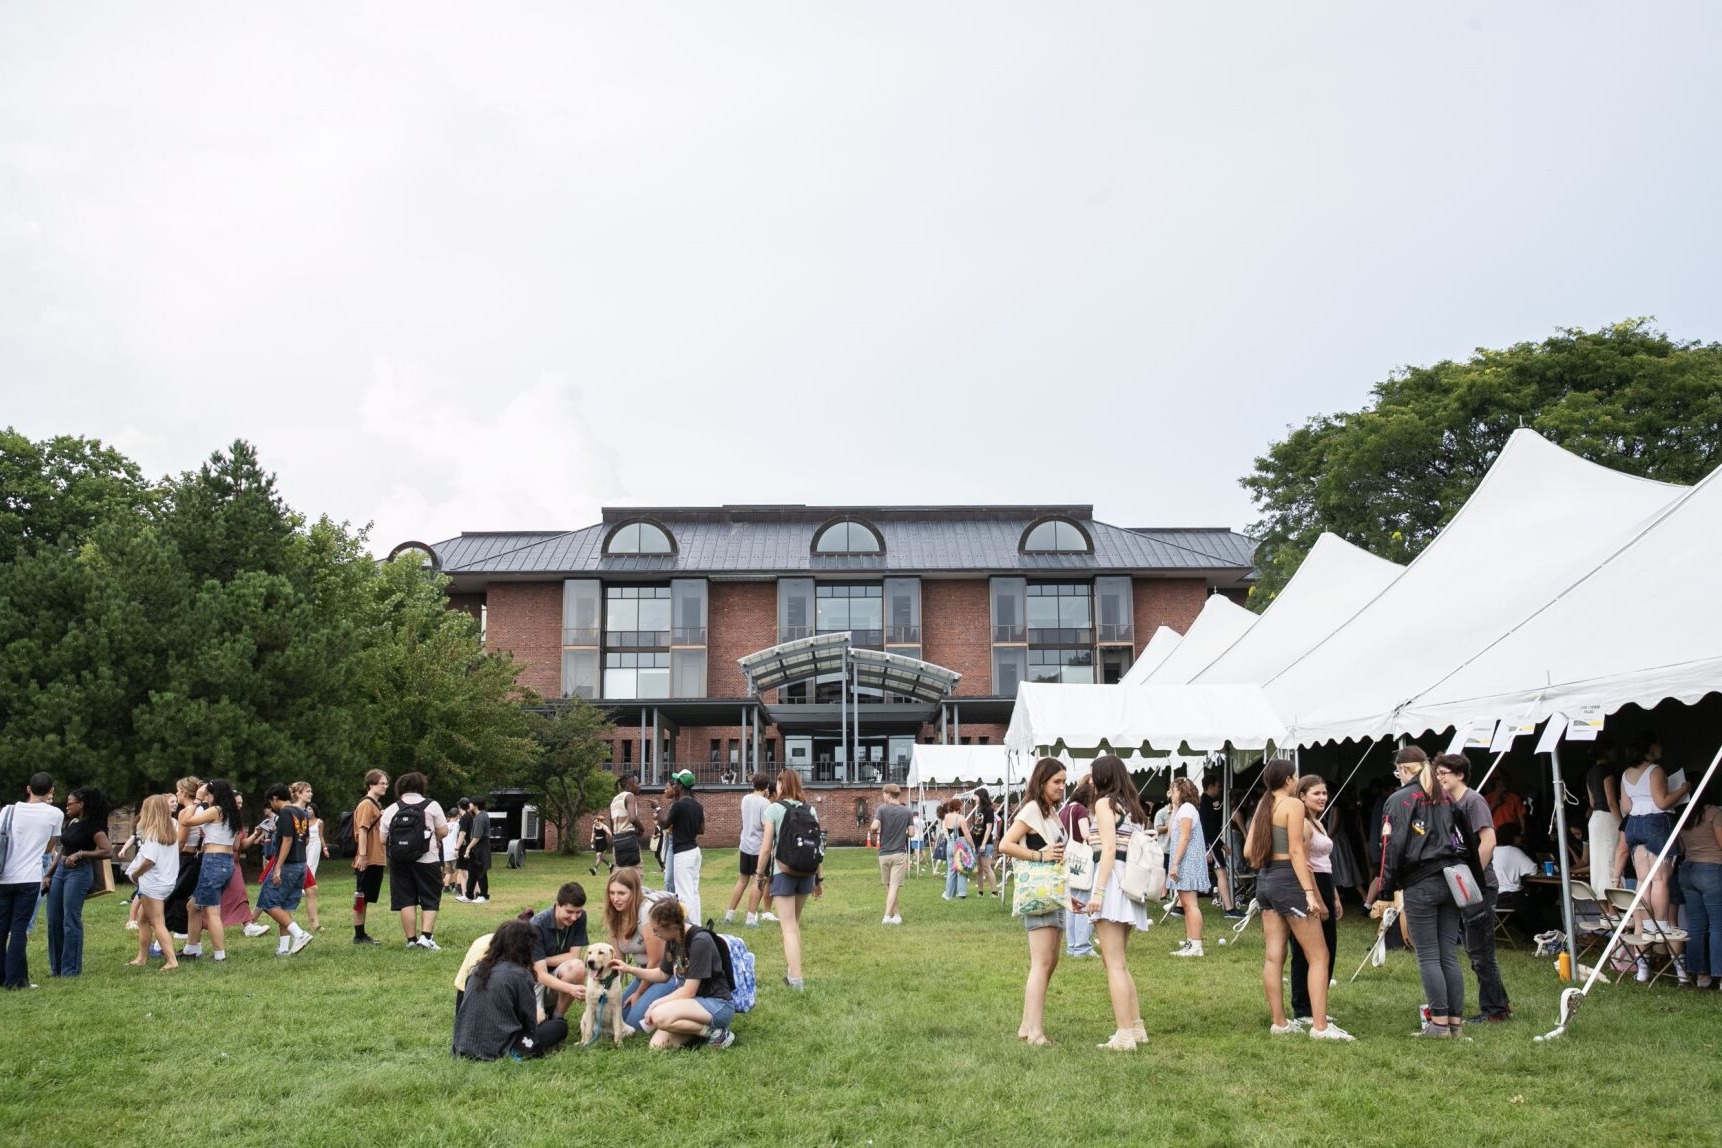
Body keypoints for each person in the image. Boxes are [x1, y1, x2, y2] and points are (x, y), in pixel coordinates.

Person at [1246, 758, 1353, 1041]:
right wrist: (1309, 893)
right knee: (1319, 956)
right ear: (1288, 780)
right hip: (1288, 881)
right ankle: (1319, 1026)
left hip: (1265, 881)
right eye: (1295, 777)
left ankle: (1279, 1023)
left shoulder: (1263, 805)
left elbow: (1248, 850)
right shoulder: (1292, 805)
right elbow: (1296, 852)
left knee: (1274, 956)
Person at [1376, 749, 1470, 1038]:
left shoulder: (1400, 799)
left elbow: (1391, 846)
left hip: (1421, 880)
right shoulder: (1445, 796)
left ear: (1404, 770)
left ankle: (1438, 1024)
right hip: (1451, 878)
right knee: (1448, 955)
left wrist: (1385, 887)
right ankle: (1454, 1023)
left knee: (1428, 955)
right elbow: (1465, 835)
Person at [1075, 755, 1151, 1050]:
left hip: (1112, 883)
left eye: (1093, 774)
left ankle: (1124, 1033)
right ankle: (1135, 1026)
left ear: (1103, 776)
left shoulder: (1104, 805)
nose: (1090, 779)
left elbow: (1107, 850)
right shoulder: (1127, 805)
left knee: (1114, 964)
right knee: (1118, 962)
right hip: (1126, 883)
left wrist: (1098, 892)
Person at [1433, 754, 1511, 1022]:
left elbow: (1488, 841)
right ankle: (1499, 1003)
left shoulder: (1473, 801)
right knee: (1474, 949)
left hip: (1478, 885)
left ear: (1460, 775)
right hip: (1462, 884)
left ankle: (1494, 1011)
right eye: (1438, 773)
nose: (1440, 778)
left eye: (1444, 773)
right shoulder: (1448, 803)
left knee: (1480, 952)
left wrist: (1471, 878)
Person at [999, 757, 1067, 1046]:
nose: (1062, 788)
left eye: (1064, 782)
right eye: (1057, 782)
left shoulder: (1051, 812)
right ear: (1041, 783)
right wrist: (1040, 856)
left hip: (1056, 892)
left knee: (1049, 962)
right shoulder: (1031, 810)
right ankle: (1035, 1033)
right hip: (1040, 894)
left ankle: (1028, 1026)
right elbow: (1005, 844)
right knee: (1041, 962)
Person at [452, 920, 569, 1060]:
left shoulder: (478, 969)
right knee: (559, 1026)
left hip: (462, 1045)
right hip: (498, 1048)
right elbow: (529, 1022)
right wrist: (539, 1017)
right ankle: (517, 1052)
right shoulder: (520, 974)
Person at [630, 897, 736, 1050]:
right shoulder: (672, 938)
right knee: (657, 1046)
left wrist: (654, 1004)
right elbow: (662, 975)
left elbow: (688, 991)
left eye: (656, 930)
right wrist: (629, 969)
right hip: (693, 1005)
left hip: (717, 1005)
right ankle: (701, 1033)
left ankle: (716, 1033)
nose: (654, 934)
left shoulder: (700, 941)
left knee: (659, 1015)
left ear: (672, 926)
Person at [757, 768, 823, 991]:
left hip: (783, 871)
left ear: (781, 785)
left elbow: (766, 848)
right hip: (806, 872)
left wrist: (759, 874)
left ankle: (796, 980)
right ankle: (791, 971)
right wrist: (818, 879)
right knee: (794, 925)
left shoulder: (773, 809)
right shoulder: (810, 809)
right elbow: (818, 846)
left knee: (788, 928)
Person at [1619, 736, 1688, 944]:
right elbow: (1661, 802)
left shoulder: (1625, 774)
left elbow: (1626, 808)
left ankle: (1648, 926)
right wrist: (1683, 789)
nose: (1660, 747)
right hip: (1656, 824)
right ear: (1649, 748)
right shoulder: (1655, 770)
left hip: (1634, 825)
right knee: (1660, 880)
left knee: (1643, 880)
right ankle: (1662, 925)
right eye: (1657, 743)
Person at [2, 773, 65, 988]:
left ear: (28, 789)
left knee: (1, 928)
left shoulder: (8, 811)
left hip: (4, 876)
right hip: (29, 877)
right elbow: (50, 845)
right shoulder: (55, 814)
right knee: (19, 929)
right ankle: (16, 980)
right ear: (51, 792)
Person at [1288, 775, 1341, 1025]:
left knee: (1328, 947)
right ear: (1302, 796)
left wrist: (1335, 897)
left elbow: (1325, 863)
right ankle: (1302, 1007)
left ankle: (1316, 1003)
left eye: (1324, 793)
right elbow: (1307, 865)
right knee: (1306, 950)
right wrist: (1318, 899)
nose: (1322, 798)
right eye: (1316, 794)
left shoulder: (1318, 823)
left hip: (1326, 883)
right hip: (1311, 886)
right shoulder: (1304, 825)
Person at [44, 786, 111, 978]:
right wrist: (48, 874)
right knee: (53, 919)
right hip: (60, 872)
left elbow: (107, 851)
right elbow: (63, 850)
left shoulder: (93, 827)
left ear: (81, 804)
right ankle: (56, 968)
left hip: (79, 873)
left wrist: (81, 854)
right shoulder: (73, 822)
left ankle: (70, 969)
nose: (66, 807)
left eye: (70, 803)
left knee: (70, 919)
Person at [381, 772, 450, 951]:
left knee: (406, 899)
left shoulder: (391, 809)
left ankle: (411, 940)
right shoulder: (432, 805)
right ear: (421, 786)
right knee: (430, 898)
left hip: (399, 861)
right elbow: (443, 831)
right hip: (427, 858)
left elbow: (382, 839)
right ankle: (426, 937)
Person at [178, 779, 243, 963]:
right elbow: (233, 841)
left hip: (213, 861)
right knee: (193, 905)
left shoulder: (216, 810)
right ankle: (191, 948)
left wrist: (197, 800)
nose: (206, 797)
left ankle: (219, 955)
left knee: (212, 910)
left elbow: (185, 821)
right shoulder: (231, 812)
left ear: (215, 794)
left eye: (208, 794)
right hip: (226, 861)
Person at [604, 869, 673, 1031]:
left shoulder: (647, 913)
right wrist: (606, 990)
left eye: (621, 893)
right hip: (642, 972)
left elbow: (656, 961)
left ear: (634, 892)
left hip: (666, 973)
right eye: (612, 893)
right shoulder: (615, 915)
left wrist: (639, 993)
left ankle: (674, 1005)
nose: (615, 898)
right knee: (615, 1017)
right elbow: (618, 965)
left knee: (634, 1024)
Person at [255, 784, 316, 957]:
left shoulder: (285, 814)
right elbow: (305, 840)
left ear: (275, 798)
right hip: (300, 864)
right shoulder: (302, 813)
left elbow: (287, 840)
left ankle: (300, 934)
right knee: (284, 905)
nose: (270, 806)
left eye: (270, 802)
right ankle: (283, 948)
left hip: (287, 865)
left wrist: (277, 868)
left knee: (268, 903)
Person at [1675, 781, 1722, 990]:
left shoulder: (1684, 815)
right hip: (1711, 870)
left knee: (1696, 925)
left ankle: (1701, 976)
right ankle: (1720, 974)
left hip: (1687, 870)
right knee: (1718, 926)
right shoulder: (1714, 813)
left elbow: (1682, 847)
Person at [125, 794, 180, 971]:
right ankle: (142, 957)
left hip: (153, 883)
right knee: (142, 919)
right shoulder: (170, 831)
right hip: (165, 881)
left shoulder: (153, 834)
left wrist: (135, 875)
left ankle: (171, 960)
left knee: (157, 922)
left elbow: (149, 860)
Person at [530, 881, 590, 1017]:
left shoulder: (580, 918)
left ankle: (557, 1016)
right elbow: (540, 974)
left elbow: (574, 956)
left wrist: (543, 960)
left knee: (578, 967)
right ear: (557, 905)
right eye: (569, 912)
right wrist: (572, 989)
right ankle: (541, 1011)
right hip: (534, 979)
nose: (574, 917)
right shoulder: (537, 925)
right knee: (538, 1020)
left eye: (578, 912)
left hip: (551, 971)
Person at [1166, 776, 1211, 957]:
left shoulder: (1187, 809)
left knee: (1190, 904)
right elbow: (1171, 833)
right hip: (1185, 860)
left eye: (1174, 790)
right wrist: (1174, 807)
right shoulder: (1182, 809)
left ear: (1181, 792)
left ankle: (1196, 944)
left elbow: (1184, 837)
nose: (1171, 794)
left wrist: (1175, 863)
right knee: (1186, 903)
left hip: (1187, 861)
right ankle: (1191, 942)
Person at [725, 774, 772, 927]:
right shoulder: (766, 803)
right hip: (759, 847)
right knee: (758, 880)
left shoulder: (745, 799)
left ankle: (729, 915)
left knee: (742, 880)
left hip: (745, 844)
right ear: (766, 787)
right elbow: (766, 827)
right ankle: (751, 918)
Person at [658, 771, 704, 925]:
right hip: (695, 851)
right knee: (694, 891)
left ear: (680, 786)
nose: (674, 785)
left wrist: (658, 810)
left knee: (684, 892)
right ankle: (697, 924)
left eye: (676, 783)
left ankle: (689, 926)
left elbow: (665, 824)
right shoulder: (697, 805)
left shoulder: (678, 805)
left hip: (682, 853)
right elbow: (701, 829)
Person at [162, 776, 205, 939]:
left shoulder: (186, 812)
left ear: (184, 792)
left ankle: (169, 934)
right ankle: (182, 931)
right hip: (195, 857)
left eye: (178, 790)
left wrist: (169, 859)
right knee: (183, 895)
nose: (176, 794)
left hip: (185, 856)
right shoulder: (201, 810)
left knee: (172, 896)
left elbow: (181, 841)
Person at [350, 769, 389, 946]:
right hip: (368, 858)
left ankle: (361, 933)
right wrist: (363, 855)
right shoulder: (367, 804)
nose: (385, 786)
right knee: (360, 896)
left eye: (386, 783)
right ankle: (358, 935)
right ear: (371, 784)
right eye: (382, 783)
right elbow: (362, 830)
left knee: (365, 897)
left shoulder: (376, 805)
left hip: (376, 857)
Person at [1059, 780, 1096, 958]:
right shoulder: (1081, 810)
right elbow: (1085, 834)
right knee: (1082, 903)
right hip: (1081, 861)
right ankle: (1082, 946)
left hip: (1068, 859)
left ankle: (1072, 945)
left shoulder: (1065, 809)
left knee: (1070, 905)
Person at [1199, 775, 1242, 918]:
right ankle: (1229, 909)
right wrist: (1207, 848)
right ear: (1210, 786)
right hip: (1210, 845)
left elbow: (1213, 828)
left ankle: (1179, 907)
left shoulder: (1209, 802)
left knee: (1213, 873)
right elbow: (1204, 827)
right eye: (1218, 786)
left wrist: (1222, 845)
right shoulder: (1205, 803)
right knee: (1221, 873)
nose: (1219, 789)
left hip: (1213, 844)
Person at [871, 783, 913, 925]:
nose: (883, 796)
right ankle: (895, 915)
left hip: (884, 853)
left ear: (888, 794)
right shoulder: (907, 811)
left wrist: (873, 830)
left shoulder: (882, 809)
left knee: (889, 886)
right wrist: (902, 833)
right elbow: (912, 833)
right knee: (893, 887)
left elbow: (874, 826)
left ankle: (888, 916)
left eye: (883, 793)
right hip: (899, 853)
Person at [1585, 747, 1622, 893]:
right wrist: (1621, 824)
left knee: (1598, 863)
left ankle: (1605, 909)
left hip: (1595, 818)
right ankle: (1613, 907)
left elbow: (1592, 802)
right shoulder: (1607, 771)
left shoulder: (1590, 772)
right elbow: (1611, 801)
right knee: (1611, 860)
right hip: (1608, 817)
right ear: (1606, 751)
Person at [289, 781, 325, 932]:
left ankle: (314, 925)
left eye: (311, 791)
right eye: (307, 791)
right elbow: (286, 839)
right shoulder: (289, 812)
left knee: (311, 889)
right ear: (297, 794)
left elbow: (306, 839)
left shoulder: (303, 814)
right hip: (289, 860)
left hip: (300, 859)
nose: (311, 794)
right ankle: (251, 921)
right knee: (272, 894)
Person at [608, 774, 645, 873]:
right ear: (629, 785)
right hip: (630, 842)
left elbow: (612, 825)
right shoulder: (629, 796)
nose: (639, 785)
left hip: (617, 843)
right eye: (637, 783)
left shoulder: (614, 800)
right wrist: (642, 829)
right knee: (635, 877)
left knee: (621, 876)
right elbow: (632, 818)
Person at [941, 798, 974, 901]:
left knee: (951, 869)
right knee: (961, 869)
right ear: (958, 807)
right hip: (960, 844)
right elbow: (966, 833)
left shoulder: (946, 817)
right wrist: (972, 845)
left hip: (950, 844)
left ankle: (949, 894)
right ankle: (961, 893)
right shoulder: (960, 818)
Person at [462, 796, 492, 904]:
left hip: (481, 846)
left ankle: (483, 896)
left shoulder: (480, 817)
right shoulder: (479, 815)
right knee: (472, 872)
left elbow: (477, 837)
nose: (469, 805)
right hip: (478, 847)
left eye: (470, 803)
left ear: (476, 805)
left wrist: (468, 848)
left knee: (481, 871)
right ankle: (469, 895)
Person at [972, 788, 998, 896]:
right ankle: (980, 892)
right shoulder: (979, 810)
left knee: (987, 868)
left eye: (975, 796)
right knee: (979, 869)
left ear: (981, 796)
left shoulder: (989, 810)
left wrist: (983, 843)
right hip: (976, 842)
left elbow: (989, 828)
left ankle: (994, 892)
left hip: (985, 843)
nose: (974, 798)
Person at [449, 798, 472, 895]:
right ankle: (465, 892)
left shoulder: (464, 817)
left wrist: (456, 848)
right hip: (466, 845)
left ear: (459, 807)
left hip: (463, 846)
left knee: (464, 871)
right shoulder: (469, 816)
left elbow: (462, 834)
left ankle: (466, 893)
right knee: (463, 871)